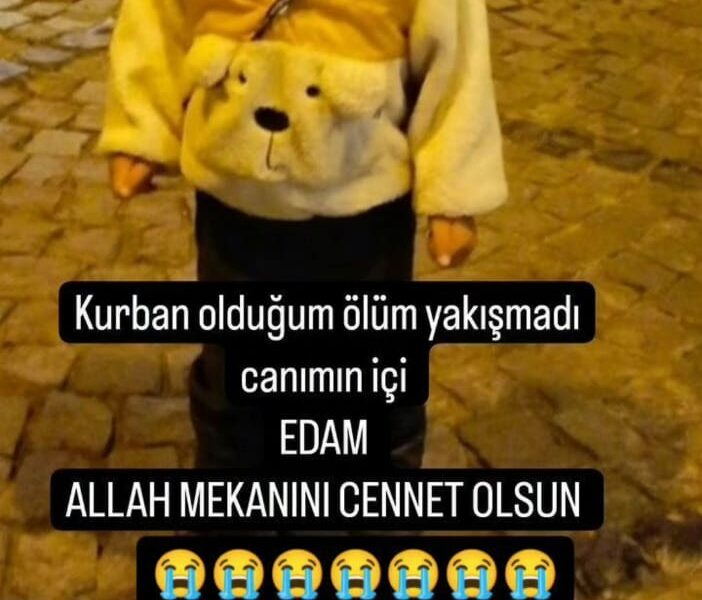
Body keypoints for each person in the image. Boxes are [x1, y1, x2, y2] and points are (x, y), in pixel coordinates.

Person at [100, 0, 508, 470]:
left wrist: (454, 187)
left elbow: (454, 46)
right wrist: (141, 126)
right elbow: (157, 17)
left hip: (360, 199)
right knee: (235, 375)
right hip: (235, 191)